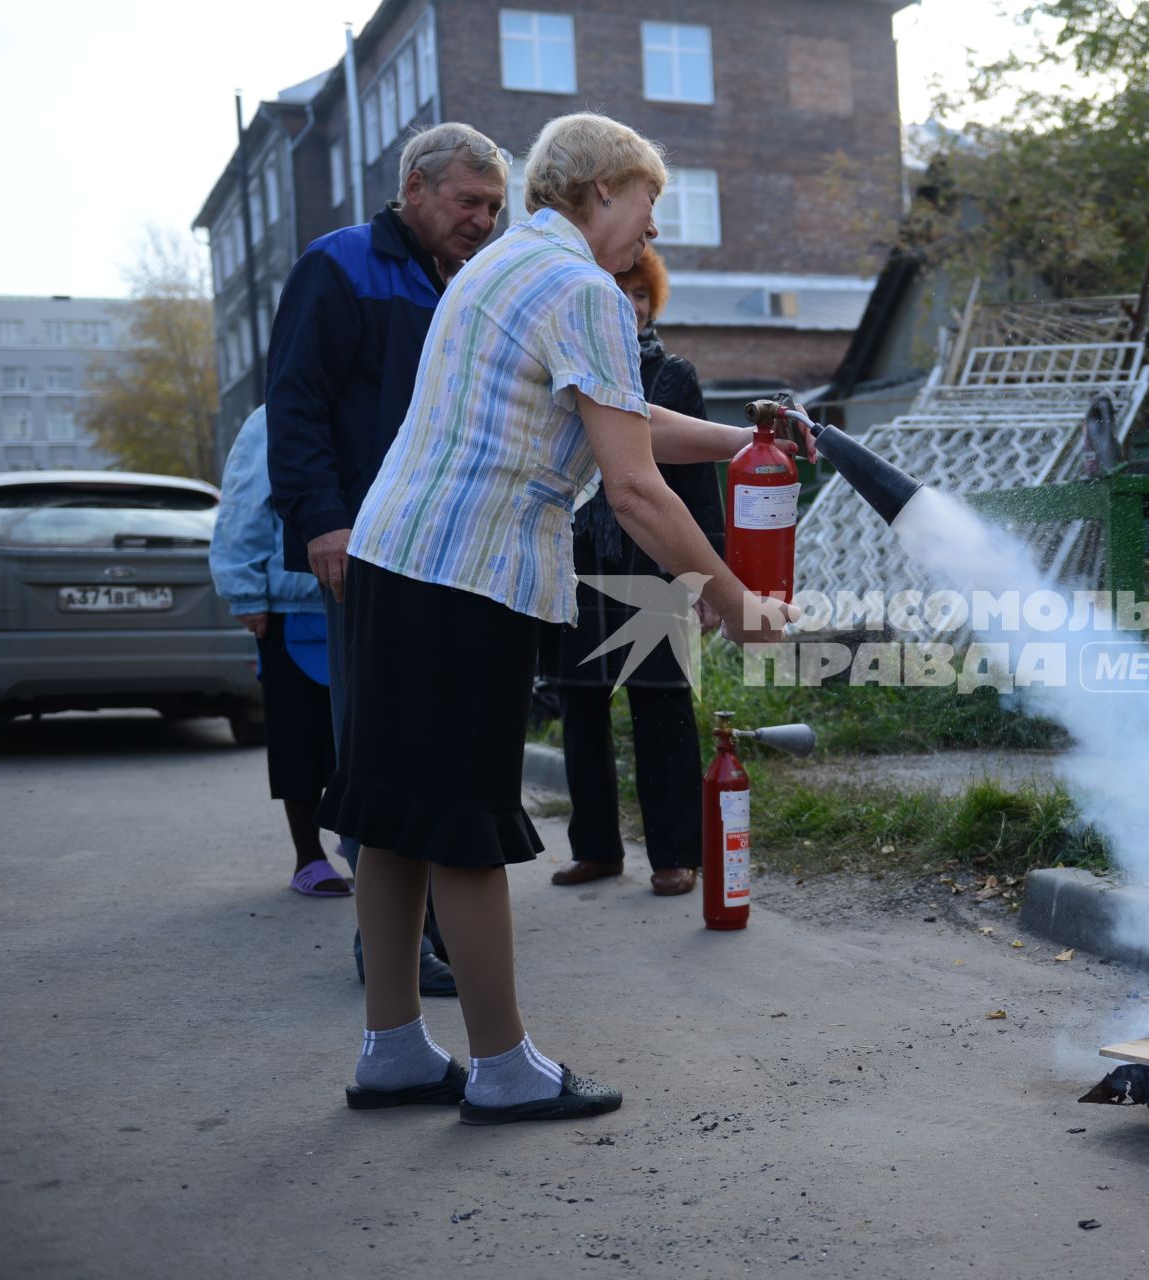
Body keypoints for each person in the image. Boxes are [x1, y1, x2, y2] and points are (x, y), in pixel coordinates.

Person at [324, 112, 806, 1124]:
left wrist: (743, 437)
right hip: (469, 570)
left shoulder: (504, 268)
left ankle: (395, 1050)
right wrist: (731, 601)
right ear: (600, 190)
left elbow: (618, 412)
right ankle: (502, 1067)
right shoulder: (584, 288)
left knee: (394, 815)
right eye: (647, 205)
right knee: (459, 818)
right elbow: (631, 485)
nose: (651, 232)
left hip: (394, 554)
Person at [267, 121, 510, 995]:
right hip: (367, 546)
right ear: (413, 189)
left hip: (454, 551)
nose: (482, 220)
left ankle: (440, 931)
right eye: (466, 202)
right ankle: (392, 950)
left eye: (493, 206)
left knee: (437, 746)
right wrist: (321, 521)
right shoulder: (340, 267)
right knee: (378, 745)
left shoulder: (471, 282)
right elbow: (292, 407)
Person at [546, 248, 720, 896]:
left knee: (663, 709)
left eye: (639, 294)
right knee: (579, 710)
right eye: (617, 291)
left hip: (655, 562)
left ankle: (676, 854)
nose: (630, 304)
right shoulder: (566, 369)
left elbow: (699, 486)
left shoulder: (673, 376)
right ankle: (595, 848)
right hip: (577, 562)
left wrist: (705, 580)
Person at [209, 405, 348, 898]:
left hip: (367, 594)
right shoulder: (271, 418)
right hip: (293, 604)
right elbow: (244, 505)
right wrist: (245, 591)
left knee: (358, 740)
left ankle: (365, 849)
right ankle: (308, 856)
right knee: (300, 740)